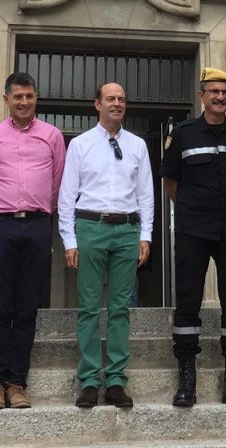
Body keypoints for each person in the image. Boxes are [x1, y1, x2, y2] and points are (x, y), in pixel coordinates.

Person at [160, 67, 226, 408]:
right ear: (202, 96)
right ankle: (187, 378)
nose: (219, 97)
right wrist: (193, 209)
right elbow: (171, 182)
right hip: (193, 229)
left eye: (225, 92)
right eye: (213, 91)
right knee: (188, 300)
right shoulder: (184, 134)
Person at [58, 82, 154, 408]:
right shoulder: (81, 145)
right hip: (90, 228)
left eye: (122, 99)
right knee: (87, 308)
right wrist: (70, 240)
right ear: (96, 104)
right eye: (110, 99)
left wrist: (146, 235)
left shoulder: (138, 145)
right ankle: (88, 381)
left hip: (127, 230)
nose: (117, 104)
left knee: (120, 309)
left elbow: (146, 194)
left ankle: (115, 381)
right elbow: (67, 195)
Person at [0, 73, 66, 410]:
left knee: (27, 308)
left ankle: (17, 383)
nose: (24, 102)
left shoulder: (53, 136)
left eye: (29, 96)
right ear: (6, 99)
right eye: (18, 97)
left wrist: (40, 210)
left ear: (36, 97)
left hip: (38, 226)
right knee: (1, 307)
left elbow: (57, 183)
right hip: (0, 225)